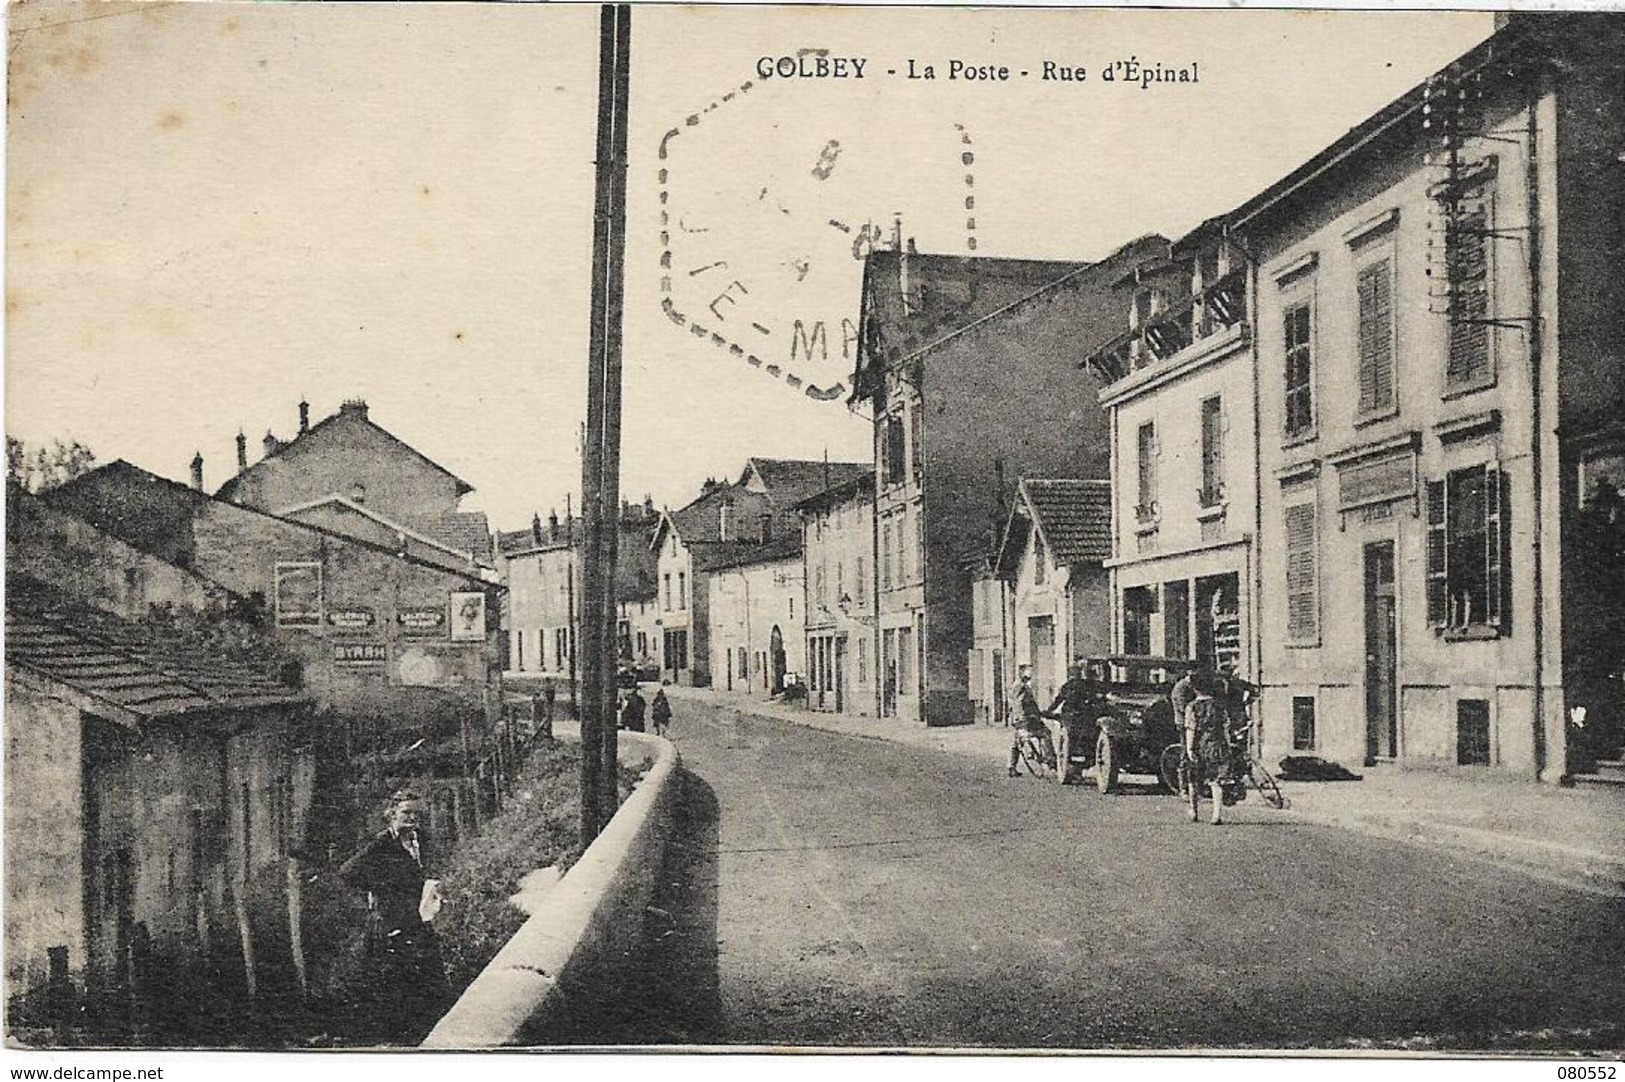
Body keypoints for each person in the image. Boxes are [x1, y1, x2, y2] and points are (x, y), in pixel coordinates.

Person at [339, 788, 449, 1042]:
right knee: (397, 976)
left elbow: (428, 868)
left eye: (416, 813)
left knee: (430, 973)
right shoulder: (382, 844)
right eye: (406, 813)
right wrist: (382, 887)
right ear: (391, 814)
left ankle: (431, 1032)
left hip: (420, 915)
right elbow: (348, 873)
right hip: (393, 919)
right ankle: (398, 1038)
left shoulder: (420, 839)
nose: (412, 818)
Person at [1050, 660, 1110, 784]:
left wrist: (1050, 710)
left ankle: (1073, 766)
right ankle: (1071, 767)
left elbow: (1058, 700)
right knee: (1073, 739)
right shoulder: (1085, 685)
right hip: (1078, 719)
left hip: (1080, 718)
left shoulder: (1079, 685)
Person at [1007, 665, 1055, 777]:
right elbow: (1019, 703)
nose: (1031, 675)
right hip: (1025, 720)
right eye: (1028, 672)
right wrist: (1026, 717)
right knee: (1045, 733)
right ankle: (1051, 760)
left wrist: (1039, 713)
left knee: (1016, 741)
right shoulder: (1020, 687)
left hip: (1020, 719)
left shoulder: (1020, 686)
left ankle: (1011, 767)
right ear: (1022, 673)